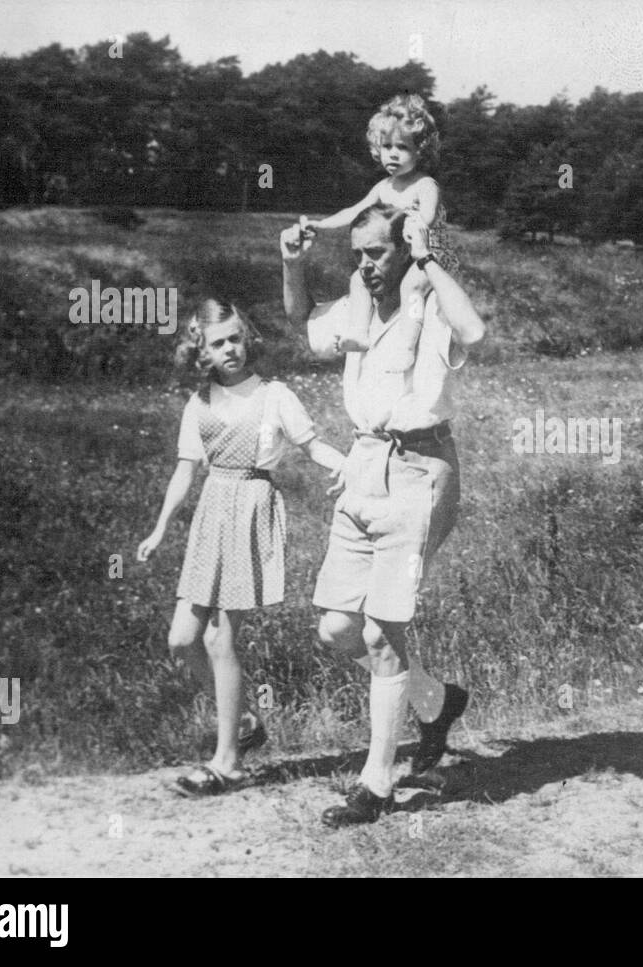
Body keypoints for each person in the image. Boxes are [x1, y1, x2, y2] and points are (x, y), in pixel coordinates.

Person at [280, 203, 485, 826]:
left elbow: (474, 331)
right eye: (358, 254)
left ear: (407, 249)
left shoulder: (430, 309)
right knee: (337, 629)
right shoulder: (359, 305)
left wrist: (427, 257)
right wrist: (291, 263)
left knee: (380, 635)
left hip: (420, 473)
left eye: (378, 253)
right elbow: (300, 320)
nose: (366, 265)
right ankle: (436, 700)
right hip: (364, 469)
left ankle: (378, 783)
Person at [137, 299, 345, 795]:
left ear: (246, 338)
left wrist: (351, 466)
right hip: (212, 513)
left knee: (220, 639)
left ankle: (227, 762)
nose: (229, 349)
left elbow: (312, 446)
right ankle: (247, 719)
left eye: (235, 338)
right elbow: (185, 470)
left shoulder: (275, 395)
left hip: (252, 509)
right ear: (201, 351)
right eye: (217, 343)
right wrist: (160, 528)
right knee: (183, 640)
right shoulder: (199, 402)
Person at [302, 94, 459, 358]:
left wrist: (412, 223)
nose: (393, 154)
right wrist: (321, 225)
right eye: (387, 146)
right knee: (358, 278)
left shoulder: (425, 184)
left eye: (403, 147)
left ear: (420, 151)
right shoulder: (382, 187)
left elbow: (428, 216)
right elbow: (354, 211)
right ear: (378, 149)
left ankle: (406, 347)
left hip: (427, 256)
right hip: (396, 257)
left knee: (411, 286)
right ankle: (359, 333)